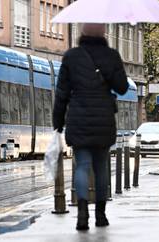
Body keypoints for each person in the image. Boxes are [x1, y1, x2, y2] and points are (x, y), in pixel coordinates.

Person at [52, 23, 129, 231]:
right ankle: (101, 215)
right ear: (103, 32)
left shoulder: (71, 56)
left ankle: (82, 213)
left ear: (82, 32)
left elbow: (61, 94)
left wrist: (57, 122)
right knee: (101, 167)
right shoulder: (111, 55)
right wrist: (110, 74)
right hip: (103, 119)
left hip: (78, 118)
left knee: (82, 165)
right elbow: (122, 87)